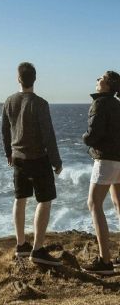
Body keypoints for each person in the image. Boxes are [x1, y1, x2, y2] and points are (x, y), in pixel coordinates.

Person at [1, 62, 63, 266]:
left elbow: (5, 130)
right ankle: (37, 249)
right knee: (44, 201)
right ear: (34, 79)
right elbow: (48, 135)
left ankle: (21, 245)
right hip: (38, 159)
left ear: (18, 79)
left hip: (18, 158)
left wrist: (9, 153)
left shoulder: (9, 101)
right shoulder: (40, 103)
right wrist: (56, 161)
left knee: (20, 199)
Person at [82, 70, 120, 275]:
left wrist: (85, 139)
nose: (97, 80)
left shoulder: (100, 103)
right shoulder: (118, 104)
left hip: (106, 160)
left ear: (108, 85)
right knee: (118, 204)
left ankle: (105, 262)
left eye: (101, 79)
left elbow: (93, 134)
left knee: (94, 204)